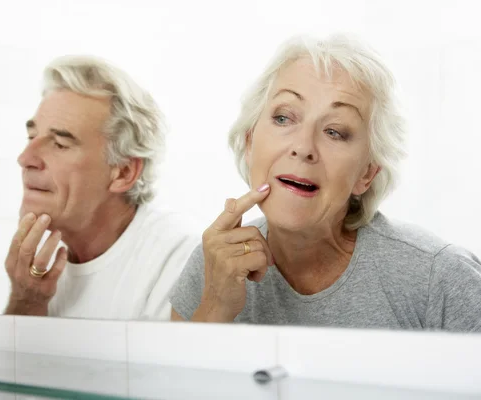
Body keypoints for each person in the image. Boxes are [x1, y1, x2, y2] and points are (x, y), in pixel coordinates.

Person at [170, 34, 481, 332]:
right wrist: (214, 307)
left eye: (335, 131)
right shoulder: (211, 263)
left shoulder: (441, 277)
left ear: (367, 173)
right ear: (250, 142)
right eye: (284, 118)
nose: (303, 147)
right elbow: (168, 386)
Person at [4, 55, 200, 321]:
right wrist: (25, 299)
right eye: (31, 137)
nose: (25, 158)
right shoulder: (36, 265)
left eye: (60, 144)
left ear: (123, 171)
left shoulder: (180, 256)